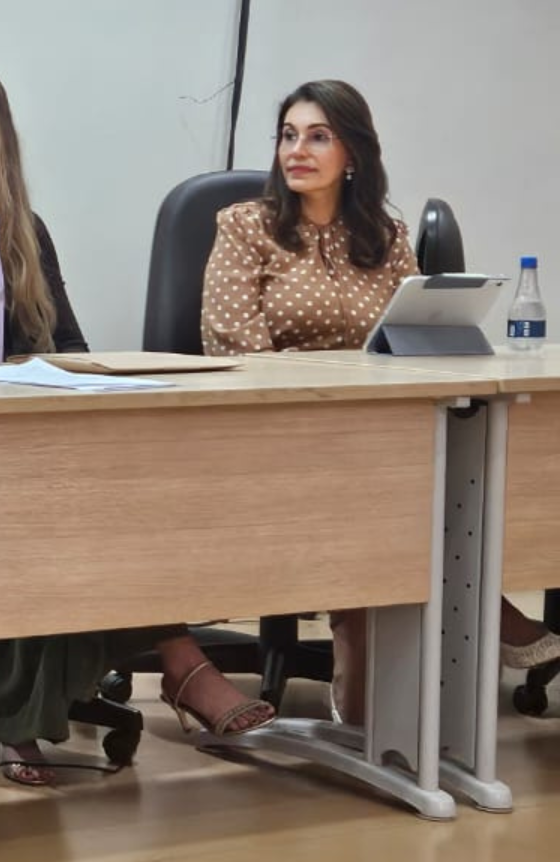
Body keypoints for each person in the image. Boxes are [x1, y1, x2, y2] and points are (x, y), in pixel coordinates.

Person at [0, 56, 276, 784]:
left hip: (19, 439)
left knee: (120, 499)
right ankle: (149, 674)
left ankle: (109, 686)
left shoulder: (23, 229)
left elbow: (68, 345)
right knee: (41, 518)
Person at [201, 78, 560, 724]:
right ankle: (465, 609)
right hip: (283, 433)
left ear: (354, 155)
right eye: (288, 135)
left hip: (380, 435)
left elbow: (415, 335)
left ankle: (383, 652)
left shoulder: (385, 235)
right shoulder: (245, 226)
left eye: (318, 136)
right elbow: (238, 352)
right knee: (381, 487)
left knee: (449, 463)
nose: (296, 150)